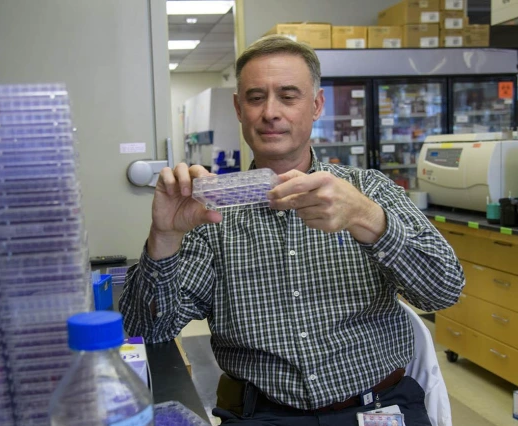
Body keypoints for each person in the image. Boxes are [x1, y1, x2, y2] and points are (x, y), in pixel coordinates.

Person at [119, 35, 465, 426]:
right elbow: (146, 331)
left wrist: (367, 219)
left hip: (377, 408)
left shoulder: (368, 190)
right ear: (238, 108)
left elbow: (445, 290)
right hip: (263, 414)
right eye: (255, 97)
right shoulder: (211, 214)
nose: (270, 112)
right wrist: (164, 237)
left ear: (316, 106)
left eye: (288, 95)